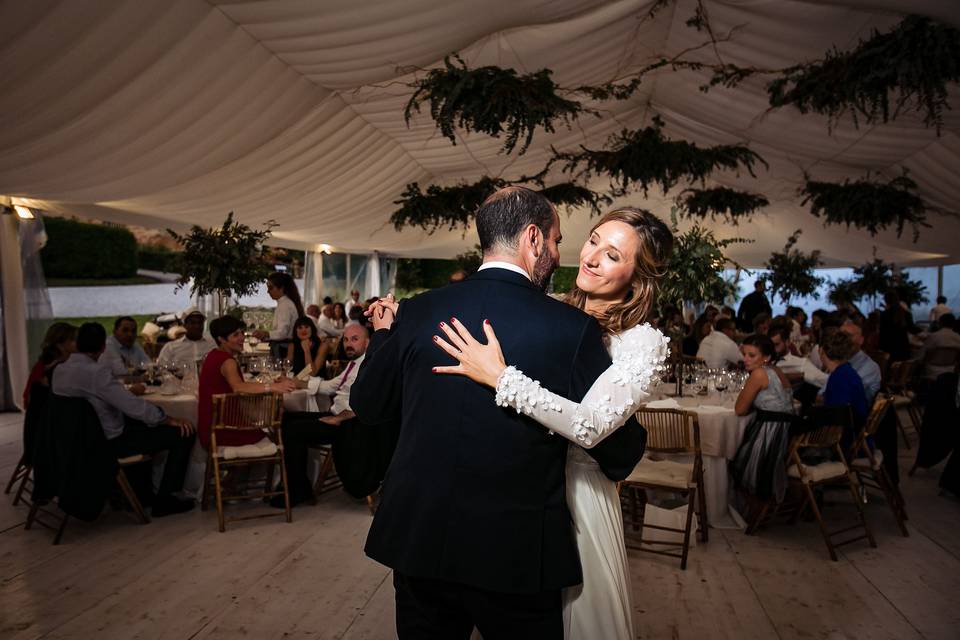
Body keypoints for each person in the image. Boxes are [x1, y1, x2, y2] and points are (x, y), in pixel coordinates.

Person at [351, 188, 650, 639]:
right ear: (532, 238)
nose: (557, 253)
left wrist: (384, 334)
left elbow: (368, 407)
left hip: (420, 538)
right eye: (554, 241)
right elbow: (618, 454)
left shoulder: (415, 312)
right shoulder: (571, 329)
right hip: (517, 552)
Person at [429, 207, 672, 640]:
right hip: (516, 489)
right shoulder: (551, 310)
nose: (592, 257)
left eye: (613, 255)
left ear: (639, 276)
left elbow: (592, 426)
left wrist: (502, 378)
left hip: (578, 492)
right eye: (594, 240)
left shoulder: (642, 342)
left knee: (575, 619)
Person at [52, 323, 195, 517]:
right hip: (105, 443)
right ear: (103, 347)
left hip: (74, 439)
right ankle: (165, 499)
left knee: (142, 424)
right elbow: (131, 405)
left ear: (77, 344)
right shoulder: (96, 373)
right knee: (184, 432)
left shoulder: (60, 371)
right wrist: (166, 418)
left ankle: (140, 494)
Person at [273, 322, 370, 507]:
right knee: (287, 419)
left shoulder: (368, 366)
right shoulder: (354, 364)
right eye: (346, 340)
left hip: (349, 425)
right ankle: (292, 483)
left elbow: (369, 402)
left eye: (355, 339)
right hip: (336, 414)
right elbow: (328, 386)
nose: (348, 344)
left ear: (367, 342)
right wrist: (293, 382)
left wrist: (338, 418)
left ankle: (298, 491)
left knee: (294, 430)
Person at [199, 316, 298, 452]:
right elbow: (238, 387)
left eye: (242, 333)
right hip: (224, 430)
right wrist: (273, 386)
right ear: (221, 339)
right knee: (279, 435)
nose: (242, 338)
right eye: (235, 335)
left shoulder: (213, 355)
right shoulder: (228, 361)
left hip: (211, 427)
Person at [729, 334, 795, 502]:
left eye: (752, 355)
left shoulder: (759, 374)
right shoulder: (777, 370)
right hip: (788, 430)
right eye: (744, 354)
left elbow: (739, 409)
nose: (745, 359)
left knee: (736, 461)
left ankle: (748, 508)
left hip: (771, 432)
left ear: (766, 357)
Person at [819, 329, 868, 450]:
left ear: (822, 350)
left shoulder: (839, 377)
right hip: (858, 437)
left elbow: (836, 416)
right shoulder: (846, 371)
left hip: (847, 443)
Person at [23, 322, 77, 407]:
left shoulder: (69, 362)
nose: (78, 343)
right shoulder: (49, 366)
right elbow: (29, 399)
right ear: (60, 344)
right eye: (73, 340)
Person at [253, 272, 304, 344]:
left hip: (284, 349)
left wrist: (265, 333)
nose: (268, 291)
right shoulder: (284, 303)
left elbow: (282, 333)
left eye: (271, 288)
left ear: (281, 288)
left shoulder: (285, 305)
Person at [839, 320, 882, 403]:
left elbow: (845, 395)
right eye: (840, 336)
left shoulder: (870, 367)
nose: (843, 341)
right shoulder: (839, 360)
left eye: (848, 336)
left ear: (861, 340)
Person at [918, 313, 960, 380]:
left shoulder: (933, 337)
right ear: (953, 324)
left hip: (931, 371)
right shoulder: (958, 337)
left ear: (940, 323)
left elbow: (920, 357)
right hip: (951, 371)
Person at [879, 290, 911, 362]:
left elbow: (882, 334)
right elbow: (911, 328)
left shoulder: (885, 315)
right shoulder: (905, 313)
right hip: (904, 350)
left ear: (886, 300)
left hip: (889, 351)